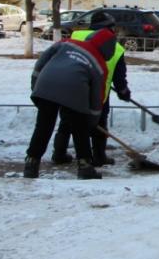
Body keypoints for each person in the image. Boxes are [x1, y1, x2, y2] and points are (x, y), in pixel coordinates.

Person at [23, 27, 117, 180]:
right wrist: (92, 121)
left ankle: (31, 164)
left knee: (43, 127)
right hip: (75, 92)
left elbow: (43, 60)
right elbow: (96, 98)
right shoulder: (100, 65)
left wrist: (36, 83)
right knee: (81, 130)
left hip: (46, 85)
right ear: (108, 48)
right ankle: (85, 167)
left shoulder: (66, 43)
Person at [50, 11, 131, 167]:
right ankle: (98, 156)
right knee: (98, 123)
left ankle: (58, 153)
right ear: (109, 28)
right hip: (99, 94)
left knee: (67, 121)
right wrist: (123, 92)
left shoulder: (75, 36)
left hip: (70, 89)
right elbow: (119, 78)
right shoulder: (115, 46)